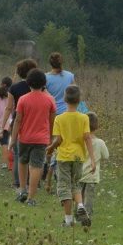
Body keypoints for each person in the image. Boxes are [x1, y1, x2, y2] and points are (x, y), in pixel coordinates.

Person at [46, 85, 95, 227]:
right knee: (75, 185)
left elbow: (58, 140)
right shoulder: (84, 118)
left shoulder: (59, 119)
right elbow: (87, 138)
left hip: (63, 157)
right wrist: (92, 160)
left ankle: (68, 220)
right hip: (79, 157)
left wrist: (50, 148)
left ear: (64, 99)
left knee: (64, 187)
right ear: (79, 100)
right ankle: (80, 205)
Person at [9, 68, 56, 206]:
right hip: (42, 139)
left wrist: (13, 138)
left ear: (28, 83)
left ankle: (22, 189)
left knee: (23, 162)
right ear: (43, 83)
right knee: (36, 165)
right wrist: (51, 138)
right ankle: (31, 197)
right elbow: (52, 120)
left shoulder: (23, 99)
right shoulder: (50, 100)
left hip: (25, 138)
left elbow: (18, 120)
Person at [0, 59, 38, 188]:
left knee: (18, 155)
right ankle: (32, 182)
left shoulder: (14, 88)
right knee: (34, 155)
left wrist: (2, 126)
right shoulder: (39, 87)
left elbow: (9, 108)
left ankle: (17, 182)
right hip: (35, 121)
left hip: (18, 122)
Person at [44, 52, 76, 191]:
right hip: (68, 113)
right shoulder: (70, 76)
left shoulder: (45, 77)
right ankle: (63, 171)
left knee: (52, 143)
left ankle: (48, 169)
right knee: (66, 143)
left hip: (52, 114)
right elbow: (75, 93)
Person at [79, 112, 109, 222]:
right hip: (92, 175)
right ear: (96, 126)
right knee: (89, 197)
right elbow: (106, 156)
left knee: (79, 196)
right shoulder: (100, 142)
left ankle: (78, 213)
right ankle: (87, 216)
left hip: (79, 174)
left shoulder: (80, 141)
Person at [0, 77, 12, 167]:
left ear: (2, 84)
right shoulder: (11, 96)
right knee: (5, 142)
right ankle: (4, 163)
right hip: (7, 122)